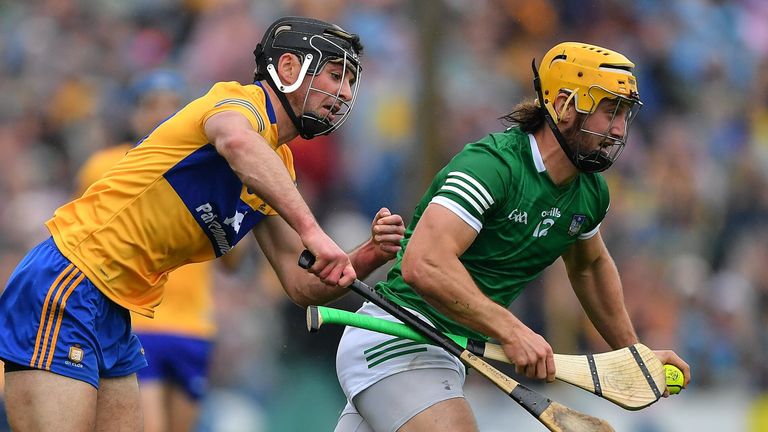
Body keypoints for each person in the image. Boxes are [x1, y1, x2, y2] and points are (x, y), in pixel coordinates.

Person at [0, 16, 405, 432]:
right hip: (68, 280)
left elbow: (302, 285)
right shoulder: (236, 103)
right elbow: (235, 141)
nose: (344, 93)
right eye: (336, 76)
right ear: (288, 68)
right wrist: (313, 230)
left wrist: (369, 253)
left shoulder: (277, 168)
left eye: (351, 83)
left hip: (115, 308)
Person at [333, 42, 693, 432]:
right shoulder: (493, 166)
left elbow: (589, 266)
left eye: (625, 115)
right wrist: (512, 329)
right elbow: (424, 263)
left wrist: (632, 356)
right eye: (610, 112)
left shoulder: (590, 192)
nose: (619, 130)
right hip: (399, 335)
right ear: (565, 106)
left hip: (449, 352)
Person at [74, 68, 246, 432]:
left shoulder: (208, 173)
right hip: (136, 321)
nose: (162, 113)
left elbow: (232, 262)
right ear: (133, 113)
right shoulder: (104, 167)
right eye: (151, 105)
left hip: (194, 327)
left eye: (172, 105)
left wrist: (229, 210)